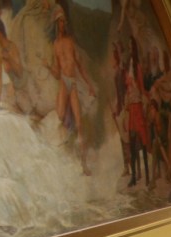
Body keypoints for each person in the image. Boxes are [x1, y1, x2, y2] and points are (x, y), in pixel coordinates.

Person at [48, 5, 95, 172]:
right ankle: (65, 149)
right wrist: (47, 66)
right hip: (62, 82)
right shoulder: (55, 45)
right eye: (59, 22)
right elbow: (56, 72)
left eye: (63, 22)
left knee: (80, 123)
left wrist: (89, 85)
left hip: (72, 82)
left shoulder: (69, 42)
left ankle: (84, 164)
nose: (61, 24)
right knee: (60, 115)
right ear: (55, 23)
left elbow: (79, 65)